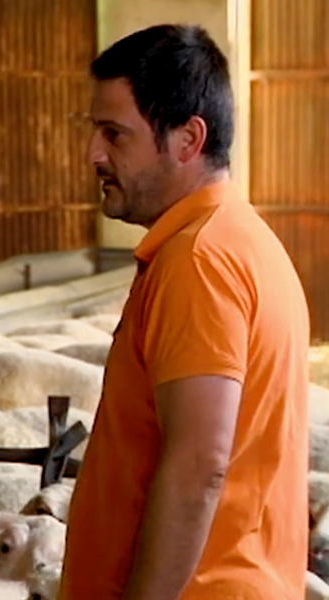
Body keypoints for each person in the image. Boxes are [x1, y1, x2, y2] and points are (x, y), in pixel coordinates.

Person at [58, 23, 310, 600]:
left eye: (114, 134)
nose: (93, 154)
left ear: (188, 139)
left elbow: (201, 466)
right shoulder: (240, 241)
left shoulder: (199, 261)